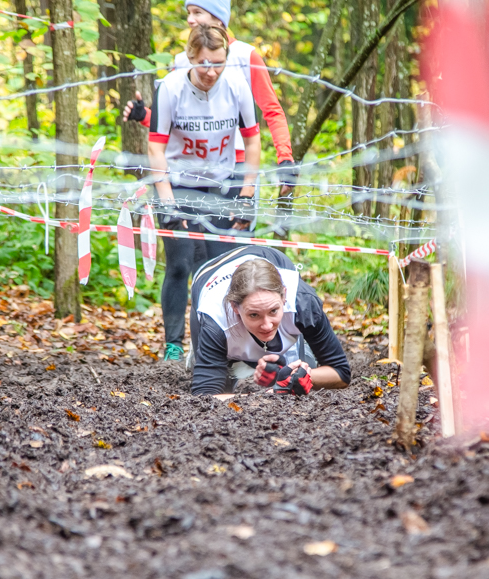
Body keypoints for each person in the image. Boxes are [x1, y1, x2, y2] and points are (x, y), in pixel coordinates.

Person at [142, 24, 260, 363]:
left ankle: (219, 343)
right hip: (178, 184)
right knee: (180, 264)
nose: (211, 72)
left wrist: (247, 195)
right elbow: (155, 148)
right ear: (190, 58)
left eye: (219, 63)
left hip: (222, 183)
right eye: (204, 63)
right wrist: (167, 202)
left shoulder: (237, 84)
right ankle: (174, 346)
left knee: (222, 266)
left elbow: (252, 141)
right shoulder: (170, 88)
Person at [124, 0, 297, 196]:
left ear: (218, 17)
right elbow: (171, 123)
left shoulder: (246, 56)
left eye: (197, 13)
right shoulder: (183, 60)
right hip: (191, 169)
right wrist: (143, 115)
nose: (189, 20)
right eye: (188, 13)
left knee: (235, 228)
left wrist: (285, 159)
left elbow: (272, 110)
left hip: (239, 164)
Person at [188, 245, 351, 396]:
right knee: (223, 383)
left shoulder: (303, 303)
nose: (267, 325)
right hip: (208, 275)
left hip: (270, 258)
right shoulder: (214, 319)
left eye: (273, 311)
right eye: (254, 315)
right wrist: (269, 396)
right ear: (235, 307)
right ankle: (228, 359)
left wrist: (298, 377)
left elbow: (341, 373)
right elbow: (205, 396)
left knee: (302, 369)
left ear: (284, 296)